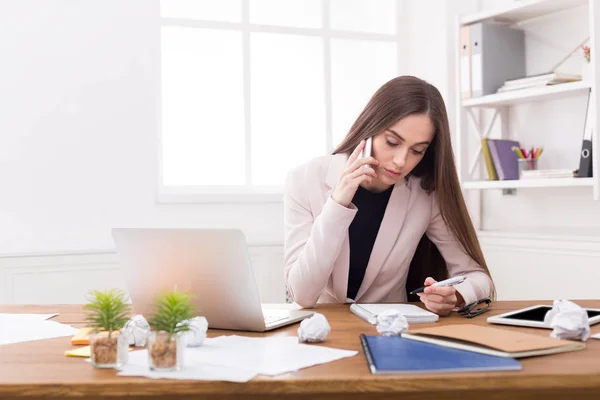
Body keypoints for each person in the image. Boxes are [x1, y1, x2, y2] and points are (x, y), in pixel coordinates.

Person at [283, 75, 494, 316]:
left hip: (391, 328)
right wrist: (337, 204)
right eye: (392, 142)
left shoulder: (424, 193)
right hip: (321, 329)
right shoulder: (305, 179)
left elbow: (477, 277)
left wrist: (454, 295)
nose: (401, 161)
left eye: (417, 151)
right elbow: (302, 294)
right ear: (370, 129)